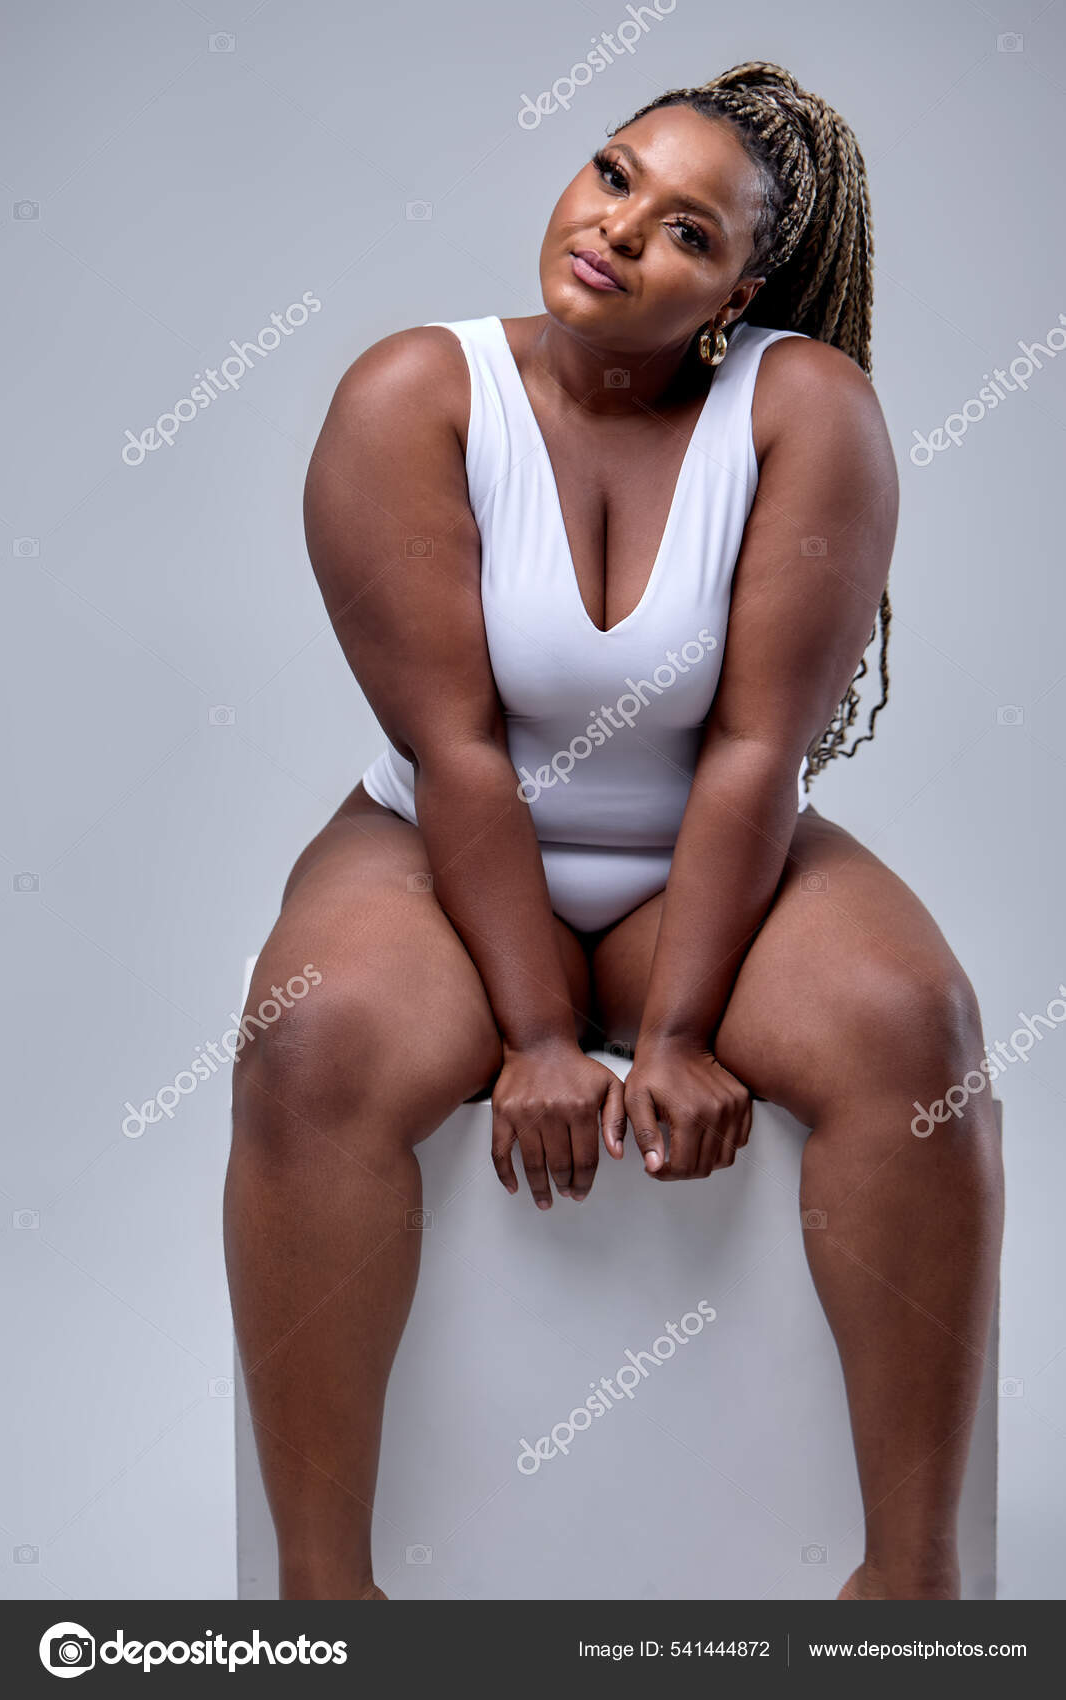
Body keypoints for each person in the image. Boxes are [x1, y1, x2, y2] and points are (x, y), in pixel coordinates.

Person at [223, 61, 1004, 1602]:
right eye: (612, 173)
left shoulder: (807, 412)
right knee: (308, 1049)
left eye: (689, 232)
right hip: (436, 845)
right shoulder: (413, 395)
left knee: (917, 1028)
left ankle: (910, 1593)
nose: (617, 228)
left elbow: (753, 750)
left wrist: (678, 1031)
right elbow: (454, 754)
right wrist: (534, 1037)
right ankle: (331, 1608)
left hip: (710, 856)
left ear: (744, 287)